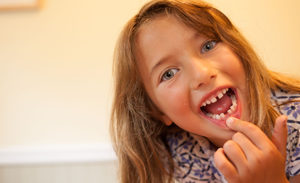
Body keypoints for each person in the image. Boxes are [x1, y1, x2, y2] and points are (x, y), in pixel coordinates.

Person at [110, 0, 300, 182]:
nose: (201, 74)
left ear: (239, 51)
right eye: (168, 74)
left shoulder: (295, 123)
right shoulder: (180, 149)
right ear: (156, 110)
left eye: (208, 46)